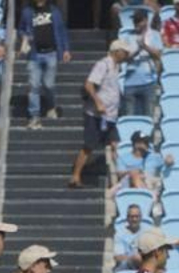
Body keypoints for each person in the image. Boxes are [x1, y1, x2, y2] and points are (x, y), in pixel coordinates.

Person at [70, 39, 129, 188]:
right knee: (89, 146)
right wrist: (98, 102)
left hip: (110, 115)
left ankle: (119, 178)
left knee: (116, 143)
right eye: (124, 51)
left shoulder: (116, 67)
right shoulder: (103, 65)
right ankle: (75, 175)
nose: (126, 54)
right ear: (117, 51)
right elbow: (89, 84)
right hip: (96, 115)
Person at [20, 0, 72, 127]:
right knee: (33, 85)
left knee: (49, 84)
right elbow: (20, 29)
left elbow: (61, 30)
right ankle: (34, 115)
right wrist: (25, 37)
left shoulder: (54, 11)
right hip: (34, 54)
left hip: (51, 53)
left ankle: (51, 107)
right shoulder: (27, 12)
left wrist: (66, 49)